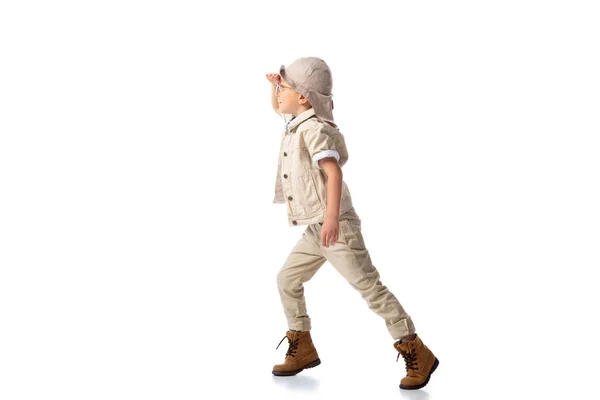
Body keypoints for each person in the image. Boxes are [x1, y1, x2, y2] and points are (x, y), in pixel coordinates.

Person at [265, 57, 439, 390]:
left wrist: (332, 218)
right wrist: (272, 85)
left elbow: (333, 172)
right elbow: (278, 109)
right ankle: (301, 347)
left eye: (283, 87)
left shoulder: (315, 129)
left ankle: (415, 349)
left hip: (336, 228)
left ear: (303, 97)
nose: (278, 94)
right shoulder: (298, 120)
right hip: (317, 229)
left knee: (370, 289)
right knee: (287, 278)